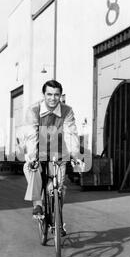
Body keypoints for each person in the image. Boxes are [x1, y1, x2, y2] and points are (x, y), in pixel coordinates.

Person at [23, 79, 82, 230]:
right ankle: (38, 206)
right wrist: (32, 157)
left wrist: (75, 155)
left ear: (61, 95)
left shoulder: (67, 110)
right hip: (39, 151)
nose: (52, 98)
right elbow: (31, 135)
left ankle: (57, 218)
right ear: (44, 94)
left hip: (59, 154)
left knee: (58, 189)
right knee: (31, 169)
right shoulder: (34, 110)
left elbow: (71, 133)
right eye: (49, 94)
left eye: (56, 95)